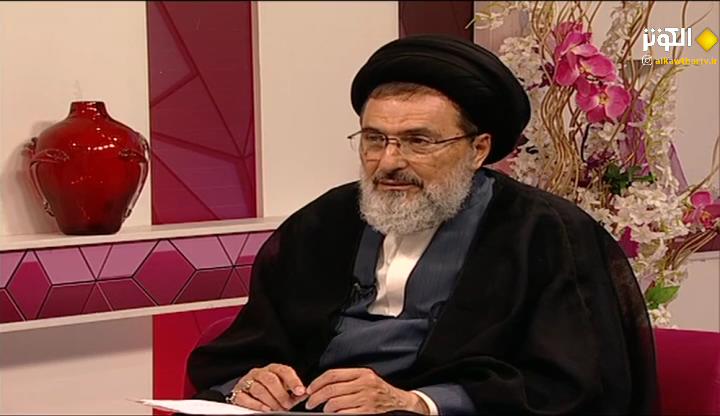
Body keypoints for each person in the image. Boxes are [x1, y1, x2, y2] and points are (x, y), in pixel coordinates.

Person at [187, 34, 657, 415]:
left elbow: (573, 383)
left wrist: (417, 403)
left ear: (478, 149)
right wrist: (252, 381)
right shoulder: (324, 223)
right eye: (375, 139)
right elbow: (251, 344)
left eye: (418, 141)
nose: (389, 162)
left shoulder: (545, 233)